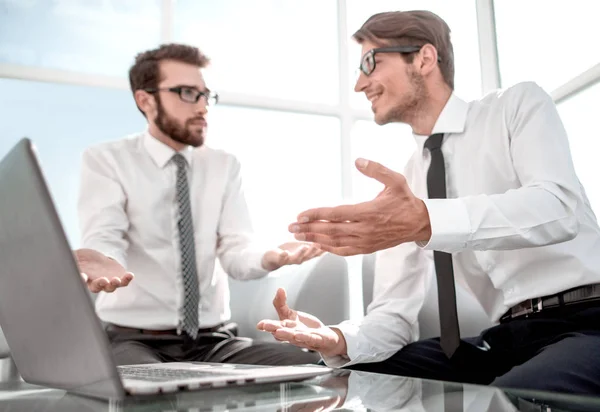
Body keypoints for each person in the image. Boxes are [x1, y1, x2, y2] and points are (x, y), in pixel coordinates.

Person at [257, 10, 600, 395]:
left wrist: (427, 220)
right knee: (345, 379)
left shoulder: (516, 106)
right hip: (503, 338)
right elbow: (393, 315)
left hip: (588, 321)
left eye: (370, 62)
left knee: (510, 400)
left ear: (423, 58)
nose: (358, 84)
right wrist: (338, 338)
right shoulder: (406, 185)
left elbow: (559, 207)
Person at [78, 43, 322, 366]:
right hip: (132, 339)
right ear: (145, 100)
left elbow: (236, 253)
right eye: (188, 93)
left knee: (311, 365)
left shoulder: (224, 166)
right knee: (147, 389)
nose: (204, 107)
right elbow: (105, 236)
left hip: (214, 340)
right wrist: (104, 262)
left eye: (207, 95)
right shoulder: (106, 160)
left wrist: (271, 256)